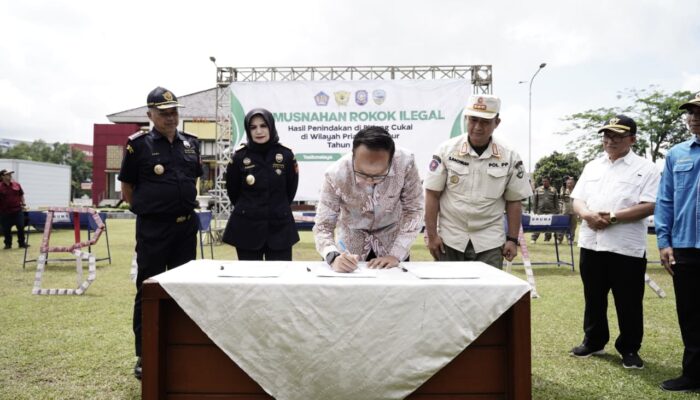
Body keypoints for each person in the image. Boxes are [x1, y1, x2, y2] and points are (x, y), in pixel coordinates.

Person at [118, 87, 202, 380]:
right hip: (153, 229)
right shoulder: (138, 146)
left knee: (184, 289)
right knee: (149, 289)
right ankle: (145, 353)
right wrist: (149, 210)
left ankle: (179, 348)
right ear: (150, 115)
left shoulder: (191, 144)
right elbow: (127, 187)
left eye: (174, 112)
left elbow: (193, 180)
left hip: (185, 228)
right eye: (163, 113)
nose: (170, 118)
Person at [569, 115, 659, 370]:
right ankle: (593, 341)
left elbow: (650, 205)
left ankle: (629, 348)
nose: (610, 140)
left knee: (628, 301)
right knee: (593, 297)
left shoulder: (647, 168)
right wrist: (587, 215)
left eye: (618, 136)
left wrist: (613, 217)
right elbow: (578, 199)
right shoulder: (592, 166)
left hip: (626, 247)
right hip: (591, 243)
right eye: (607, 135)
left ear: (632, 139)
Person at [423, 94, 532, 269]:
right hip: (450, 238)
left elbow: (514, 200)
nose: (478, 127)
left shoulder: (509, 155)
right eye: (473, 120)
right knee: (448, 286)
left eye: (485, 122)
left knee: (489, 287)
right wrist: (432, 235)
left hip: (489, 240)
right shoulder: (446, 151)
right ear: (466, 119)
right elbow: (432, 194)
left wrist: (512, 239)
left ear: (497, 123)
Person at [313, 126, 423, 272]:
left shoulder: (405, 163)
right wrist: (333, 256)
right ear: (353, 156)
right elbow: (323, 225)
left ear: (391, 160)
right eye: (362, 174)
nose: (370, 181)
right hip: (348, 249)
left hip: (393, 246)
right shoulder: (335, 174)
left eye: (379, 176)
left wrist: (396, 255)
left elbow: (414, 210)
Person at [655, 93, 700, 392]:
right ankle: (693, 375)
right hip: (684, 246)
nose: (694, 117)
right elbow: (665, 200)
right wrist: (664, 241)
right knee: (690, 313)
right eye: (691, 112)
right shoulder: (676, 154)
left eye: (699, 112)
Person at [222, 108, 299, 260]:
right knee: (250, 275)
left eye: (263, 126)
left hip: (280, 229)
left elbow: (290, 190)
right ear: (248, 130)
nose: (259, 131)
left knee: (280, 274)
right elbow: (233, 192)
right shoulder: (239, 157)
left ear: (271, 126)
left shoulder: (286, 155)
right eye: (253, 127)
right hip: (247, 229)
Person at [0, 169, 28, 249]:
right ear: (2, 176)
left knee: (21, 226)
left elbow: (21, 195)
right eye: (7, 174)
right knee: (6, 229)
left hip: (17, 210)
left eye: (10, 174)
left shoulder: (17, 184)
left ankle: (22, 243)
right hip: (4, 212)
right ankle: (8, 244)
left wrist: (23, 203)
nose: (10, 175)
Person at [530, 176, 559, 243]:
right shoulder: (538, 190)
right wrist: (534, 210)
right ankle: (533, 239)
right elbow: (535, 201)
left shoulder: (554, 190)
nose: (544, 182)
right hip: (540, 211)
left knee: (549, 225)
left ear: (549, 181)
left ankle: (547, 239)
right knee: (537, 225)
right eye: (543, 181)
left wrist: (557, 211)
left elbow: (556, 202)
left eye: (546, 181)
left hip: (551, 211)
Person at [557, 176, 577, 244]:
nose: (569, 184)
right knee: (562, 224)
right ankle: (559, 239)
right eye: (568, 183)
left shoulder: (576, 189)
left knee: (573, 226)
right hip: (565, 210)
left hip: (574, 210)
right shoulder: (563, 188)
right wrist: (564, 189)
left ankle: (570, 239)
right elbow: (561, 196)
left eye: (571, 183)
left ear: (573, 183)